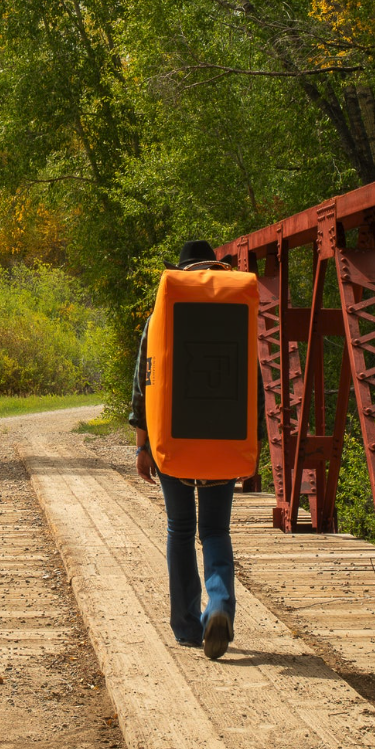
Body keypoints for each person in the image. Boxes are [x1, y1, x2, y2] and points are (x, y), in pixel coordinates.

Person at [130, 239, 237, 660]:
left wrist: (141, 445)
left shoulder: (161, 315)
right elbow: (253, 382)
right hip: (224, 438)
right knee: (214, 530)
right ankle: (220, 605)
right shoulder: (236, 311)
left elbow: (144, 381)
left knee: (179, 527)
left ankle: (189, 628)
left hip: (172, 440)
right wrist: (251, 447)